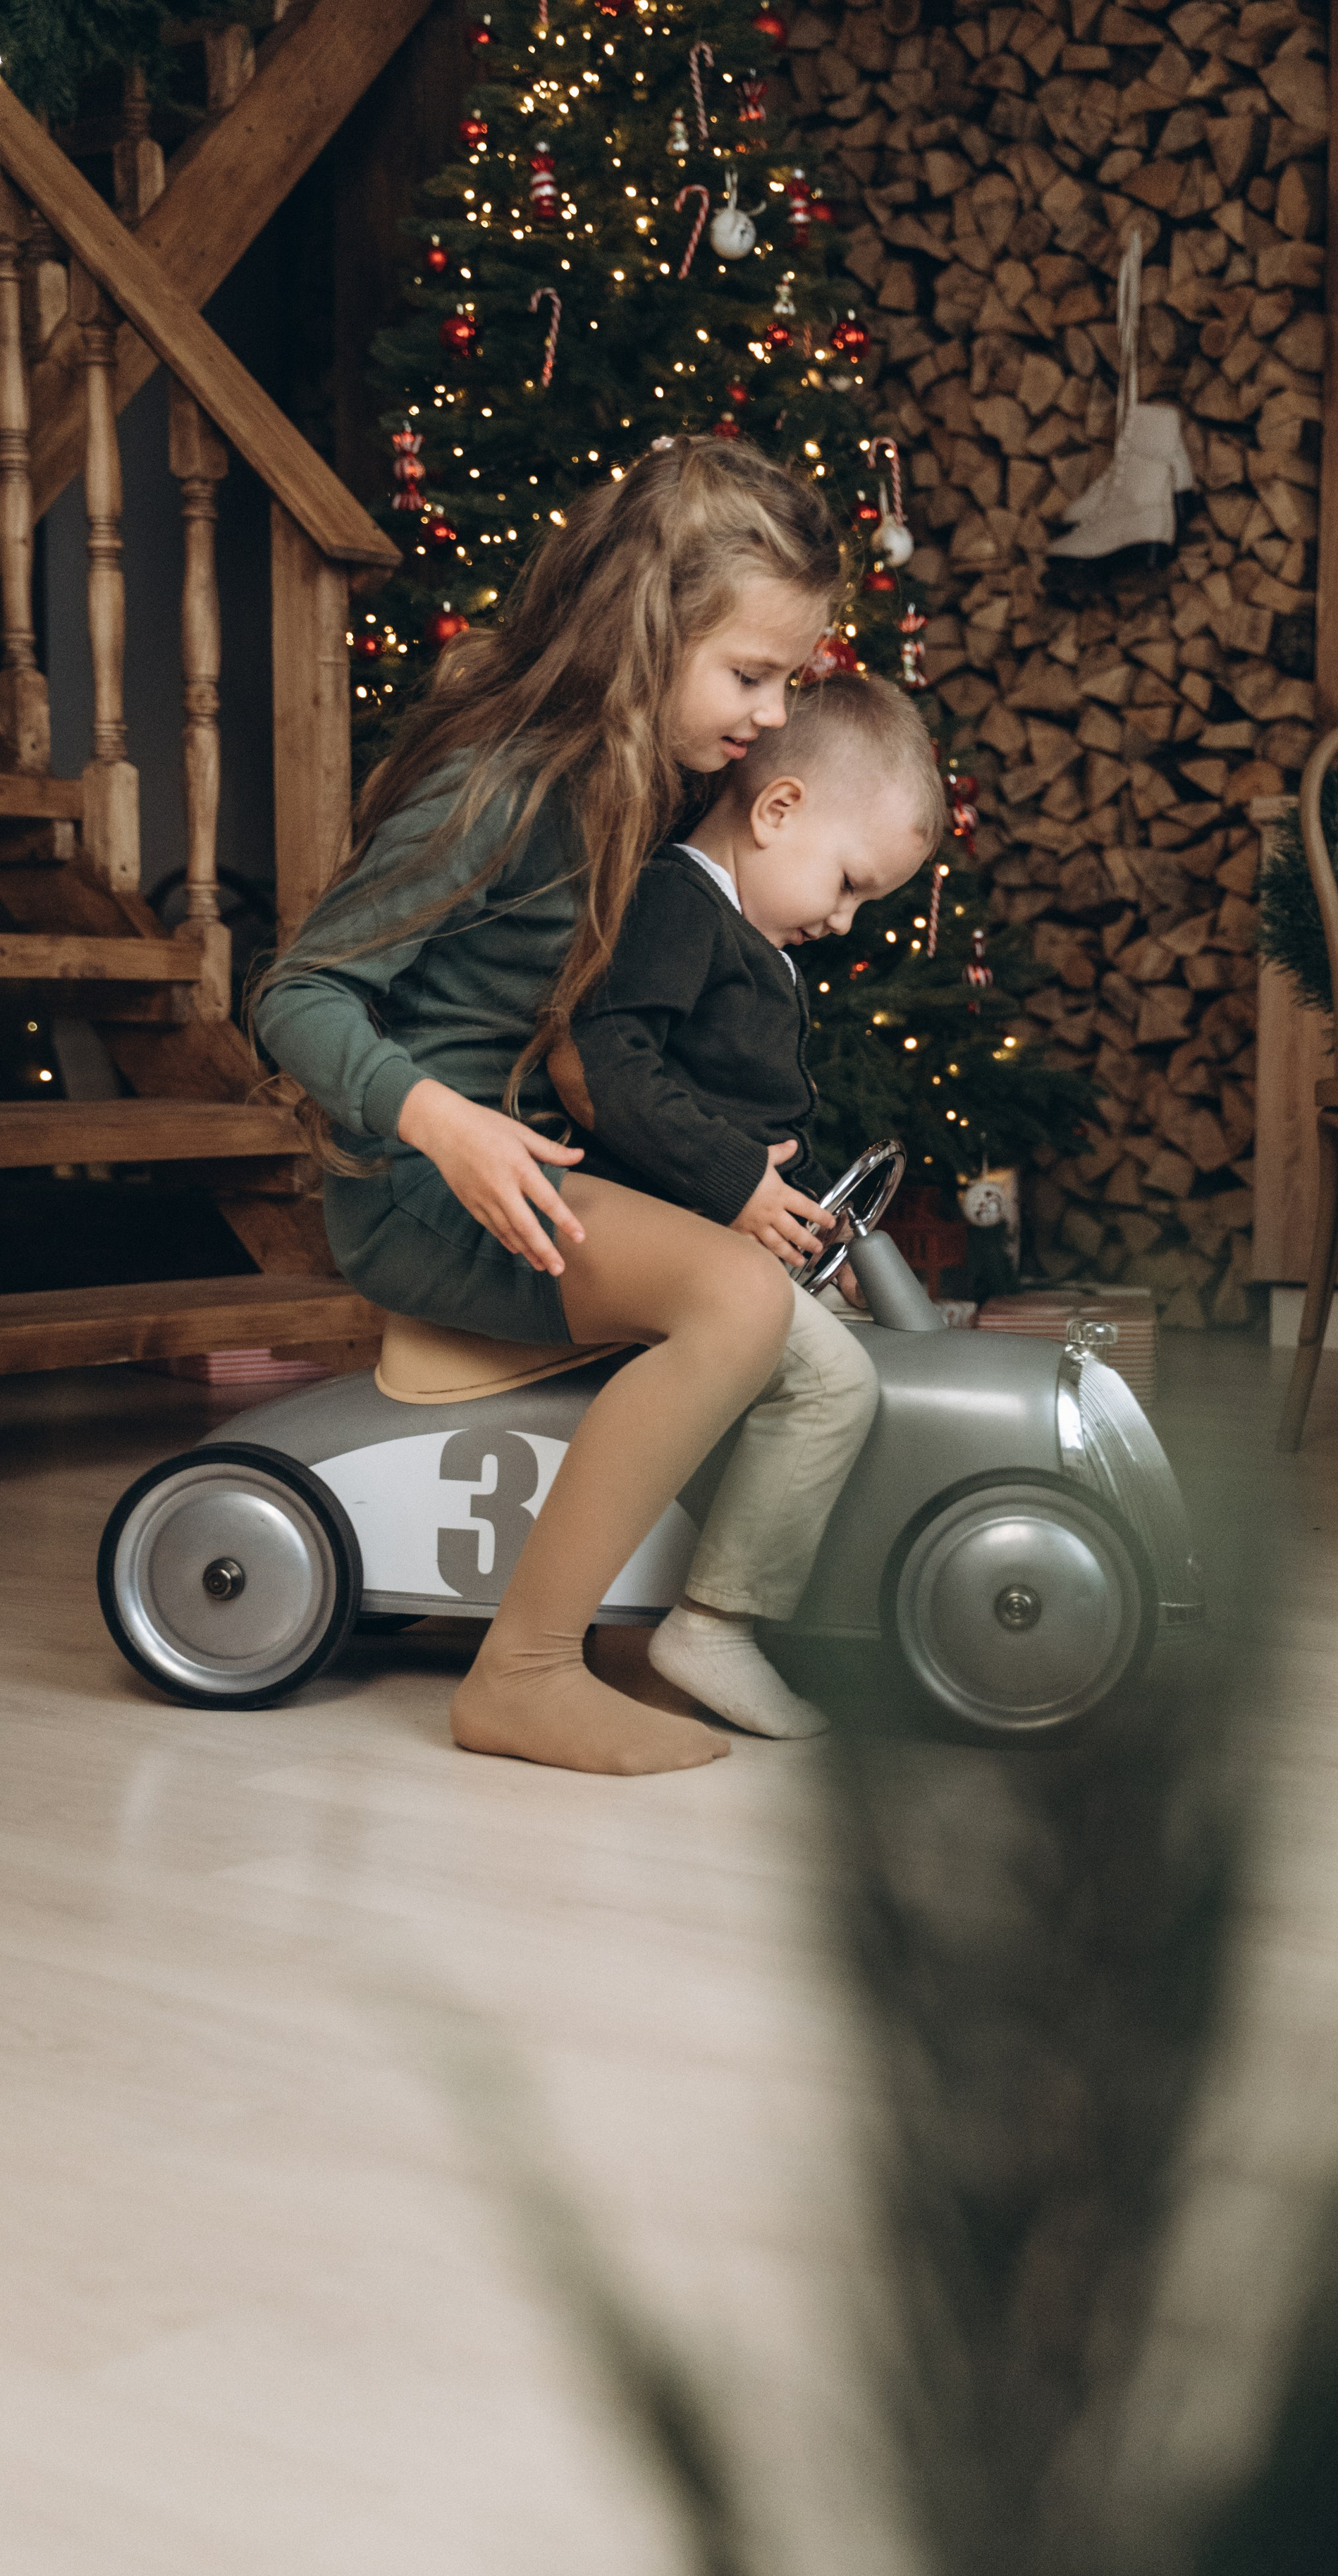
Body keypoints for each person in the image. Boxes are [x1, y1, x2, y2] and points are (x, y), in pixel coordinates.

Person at [255, 437, 849, 1780]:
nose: (772, 714)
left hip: (528, 1164)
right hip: (424, 1186)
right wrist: (442, 1121)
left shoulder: (649, 784)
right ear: (650, 630)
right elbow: (298, 995)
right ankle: (521, 1675)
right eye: (750, 674)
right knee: (735, 1302)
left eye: (790, 680)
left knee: (769, 1282)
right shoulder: (501, 784)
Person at [546, 672, 945, 1734]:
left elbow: (740, 1124)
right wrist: (737, 1186)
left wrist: (800, 1219)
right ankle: (714, 1625)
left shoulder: (746, 936)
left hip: (705, 1233)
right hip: (642, 1236)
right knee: (832, 1385)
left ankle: (818, 1586)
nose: (845, 920)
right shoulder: (678, 906)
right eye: (848, 884)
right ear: (778, 810)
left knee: (865, 1346)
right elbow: (606, 1065)